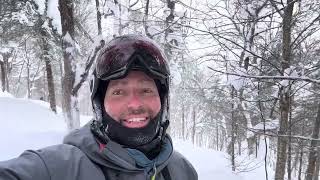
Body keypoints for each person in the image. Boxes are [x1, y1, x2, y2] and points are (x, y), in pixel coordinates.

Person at [0, 35, 198, 180]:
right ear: (99, 104)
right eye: (119, 92)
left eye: (146, 90)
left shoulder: (182, 170)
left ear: (162, 100)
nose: (135, 104)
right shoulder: (60, 167)